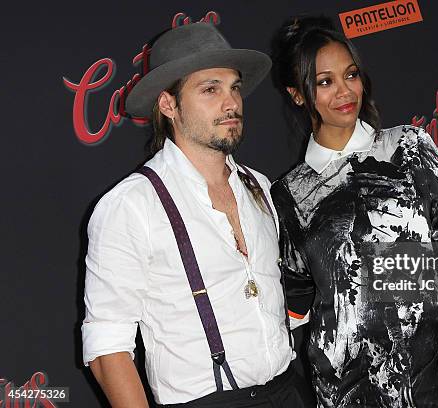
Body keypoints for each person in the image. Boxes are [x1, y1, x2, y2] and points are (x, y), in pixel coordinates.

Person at [269, 16, 438, 408]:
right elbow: (295, 300)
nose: (344, 91)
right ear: (298, 95)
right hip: (349, 390)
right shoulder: (289, 194)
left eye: (350, 75)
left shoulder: (409, 148)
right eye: (324, 81)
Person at [81, 21, 314, 407]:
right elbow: (107, 348)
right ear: (168, 104)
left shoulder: (259, 186)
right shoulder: (132, 205)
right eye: (210, 89)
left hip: (289, 390)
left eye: (234, 88)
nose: (231, 104)